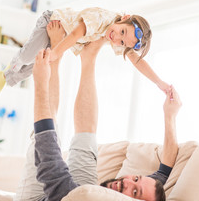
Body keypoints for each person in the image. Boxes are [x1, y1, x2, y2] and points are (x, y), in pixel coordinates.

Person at [15, 26, 182, 201]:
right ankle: (89, 55)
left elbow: (50, 165)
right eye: (135, 179)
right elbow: (166, 168)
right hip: (84, 191)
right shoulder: (149, 190)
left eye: (134, 192)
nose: (127, 182)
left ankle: (54, 57)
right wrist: (170, 115)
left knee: (49, 134)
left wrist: (41, 82)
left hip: (42, 196)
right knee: (86, 144)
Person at [0, 7, 169, 100]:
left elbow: (136, 60)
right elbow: (75, 34)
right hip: (53, 23)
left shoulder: (114, 37)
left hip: (60, 39)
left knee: (38, 65)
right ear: (125, 18)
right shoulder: (101, 18)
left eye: (122, 42)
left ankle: (6, 77)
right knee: (27, 57)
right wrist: (55, 54)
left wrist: (159, 82)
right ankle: (14, 63)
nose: (116, 39)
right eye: (122, 32)